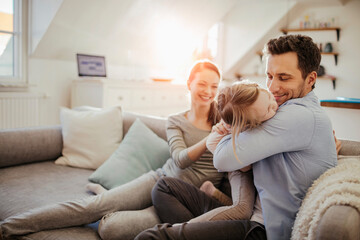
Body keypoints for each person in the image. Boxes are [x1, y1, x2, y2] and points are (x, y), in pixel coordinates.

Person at [135, 34, 338, 240]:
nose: (273, 87)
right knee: (165, 187)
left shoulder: (299, 115)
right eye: (269, 76)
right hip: (249, 214)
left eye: (283, 78)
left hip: (260, 228)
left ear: (310, 79)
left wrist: (227, 129)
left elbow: (223, 158)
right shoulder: (283, 109)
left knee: (151, 237)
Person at [0, 60, 225, 240]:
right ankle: (8, 227)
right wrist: (209, 139)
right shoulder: (175, 121)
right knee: (92, 207)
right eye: (202, 84)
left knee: (111, 230)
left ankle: (108, 196)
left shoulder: (225, 122)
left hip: (178, 203)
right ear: (189, 84)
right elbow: (180, 159)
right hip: (160, 179)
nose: (208, 91)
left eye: (214, 86)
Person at [150, 81, 278, 225]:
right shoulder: (225, 130)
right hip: (235, 164)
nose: (274, 106)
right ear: (246, 125)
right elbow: (244, 167)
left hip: (236, 159)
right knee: (242, 209)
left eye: (270, 98)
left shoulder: (263, 108)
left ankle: (213, 196)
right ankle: (184, 229)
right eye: (268, 110)